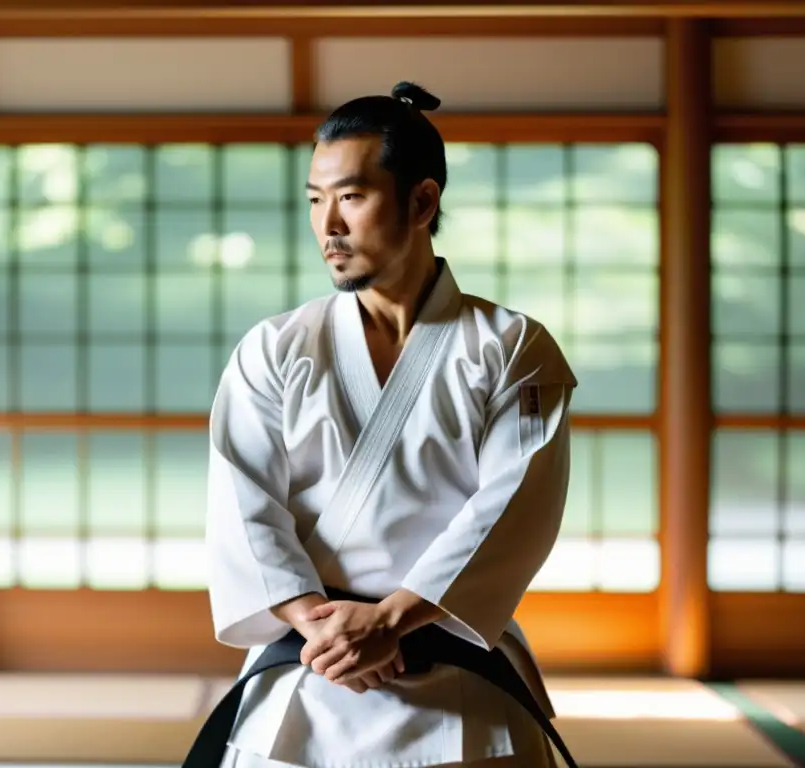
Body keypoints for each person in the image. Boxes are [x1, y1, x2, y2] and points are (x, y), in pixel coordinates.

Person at [203, 81, 578, 767]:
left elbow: (514, 508)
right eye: (315, 201)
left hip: (455, 661)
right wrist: (324, 628)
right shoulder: (276, 348)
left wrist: (392, 619)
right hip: (311, 668)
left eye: (351, 196)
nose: (328, 226)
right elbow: (241, 502)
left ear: (422, 201)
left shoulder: (511, 346)